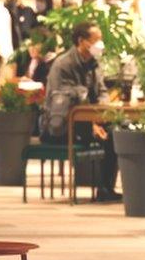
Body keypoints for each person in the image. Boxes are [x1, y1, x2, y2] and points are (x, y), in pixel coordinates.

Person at [41, 21, 120, 201]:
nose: (100, 43)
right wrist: (91, 124)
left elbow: (102, 92)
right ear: (81, 41)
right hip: (62, 126)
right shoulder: (62, 65)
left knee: (117, 132)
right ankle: (103, 189)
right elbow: (61, 104)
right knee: (107, 137)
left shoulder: (93, 64)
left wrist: (101, 113)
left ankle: (105, 188)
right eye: (96, 39)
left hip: (87, 123)